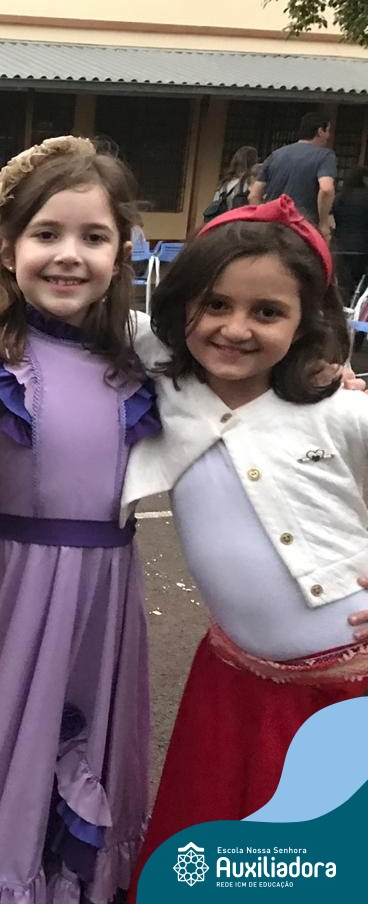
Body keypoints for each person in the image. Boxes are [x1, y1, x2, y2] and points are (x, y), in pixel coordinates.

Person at [0, 137, 156, 904]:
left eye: (94, 237)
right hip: (14, 587)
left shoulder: (142, 352)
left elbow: (251, 385)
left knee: (83, 735)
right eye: (47, 234)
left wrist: (322, 376)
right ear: (7, 247)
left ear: (121, 252)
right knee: (5, 738)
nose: (69, 255)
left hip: (104, 594)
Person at [124, 197, 368, 891]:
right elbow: (69, 300)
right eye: (215, 305)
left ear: (306, 322)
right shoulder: (168, 379)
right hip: (230, 680)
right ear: (181, 307)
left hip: (346, 691)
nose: (235, 329)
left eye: (267, 312)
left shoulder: (341, 410)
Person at [250, 112, 337, 239]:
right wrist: (323, 223)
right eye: (328, 131)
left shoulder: (276, 154)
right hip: (303, 228)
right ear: (320, 131)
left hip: (272, 227)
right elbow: (326, 189)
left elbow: (253, 195)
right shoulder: (325, 156)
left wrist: (263, 219)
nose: (329, 136)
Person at [333, 165, 368, 302]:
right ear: (364, 179)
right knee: (360, 285)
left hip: (340, 246)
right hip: (362, 248)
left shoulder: (340, 197)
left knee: (343, 285)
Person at [203, 145, 259, 222]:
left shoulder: (225, 182)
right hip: (239, 222)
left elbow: (215, 203)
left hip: (222, 222)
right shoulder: (250, 182)